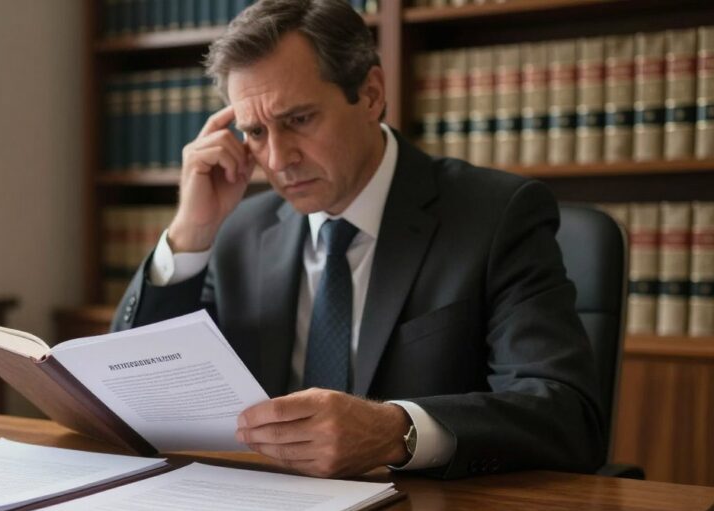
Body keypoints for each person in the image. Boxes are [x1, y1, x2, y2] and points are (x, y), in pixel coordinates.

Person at [111, 0, 605, 479]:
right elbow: (130, 393)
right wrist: (191, 233)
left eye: (299, 120)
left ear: (370, 94)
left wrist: (397, 431)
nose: (279, 160)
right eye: (256, 132)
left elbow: (566, 414)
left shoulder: (496, 215)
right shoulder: (241, 231)